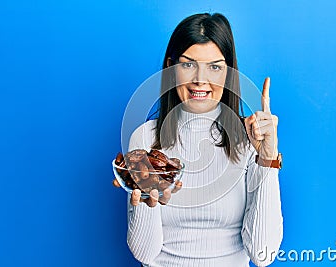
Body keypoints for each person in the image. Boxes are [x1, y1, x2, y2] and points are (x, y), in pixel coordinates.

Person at [113, 13, 283, 267]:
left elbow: (263, 254)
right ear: (171, 68)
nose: (200, 80)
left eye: (214, 67)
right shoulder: (145, 139)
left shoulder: (248, 140)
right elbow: (144, 253)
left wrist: (267, 157)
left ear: (228, 74)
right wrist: (147, 204)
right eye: (188, 65)